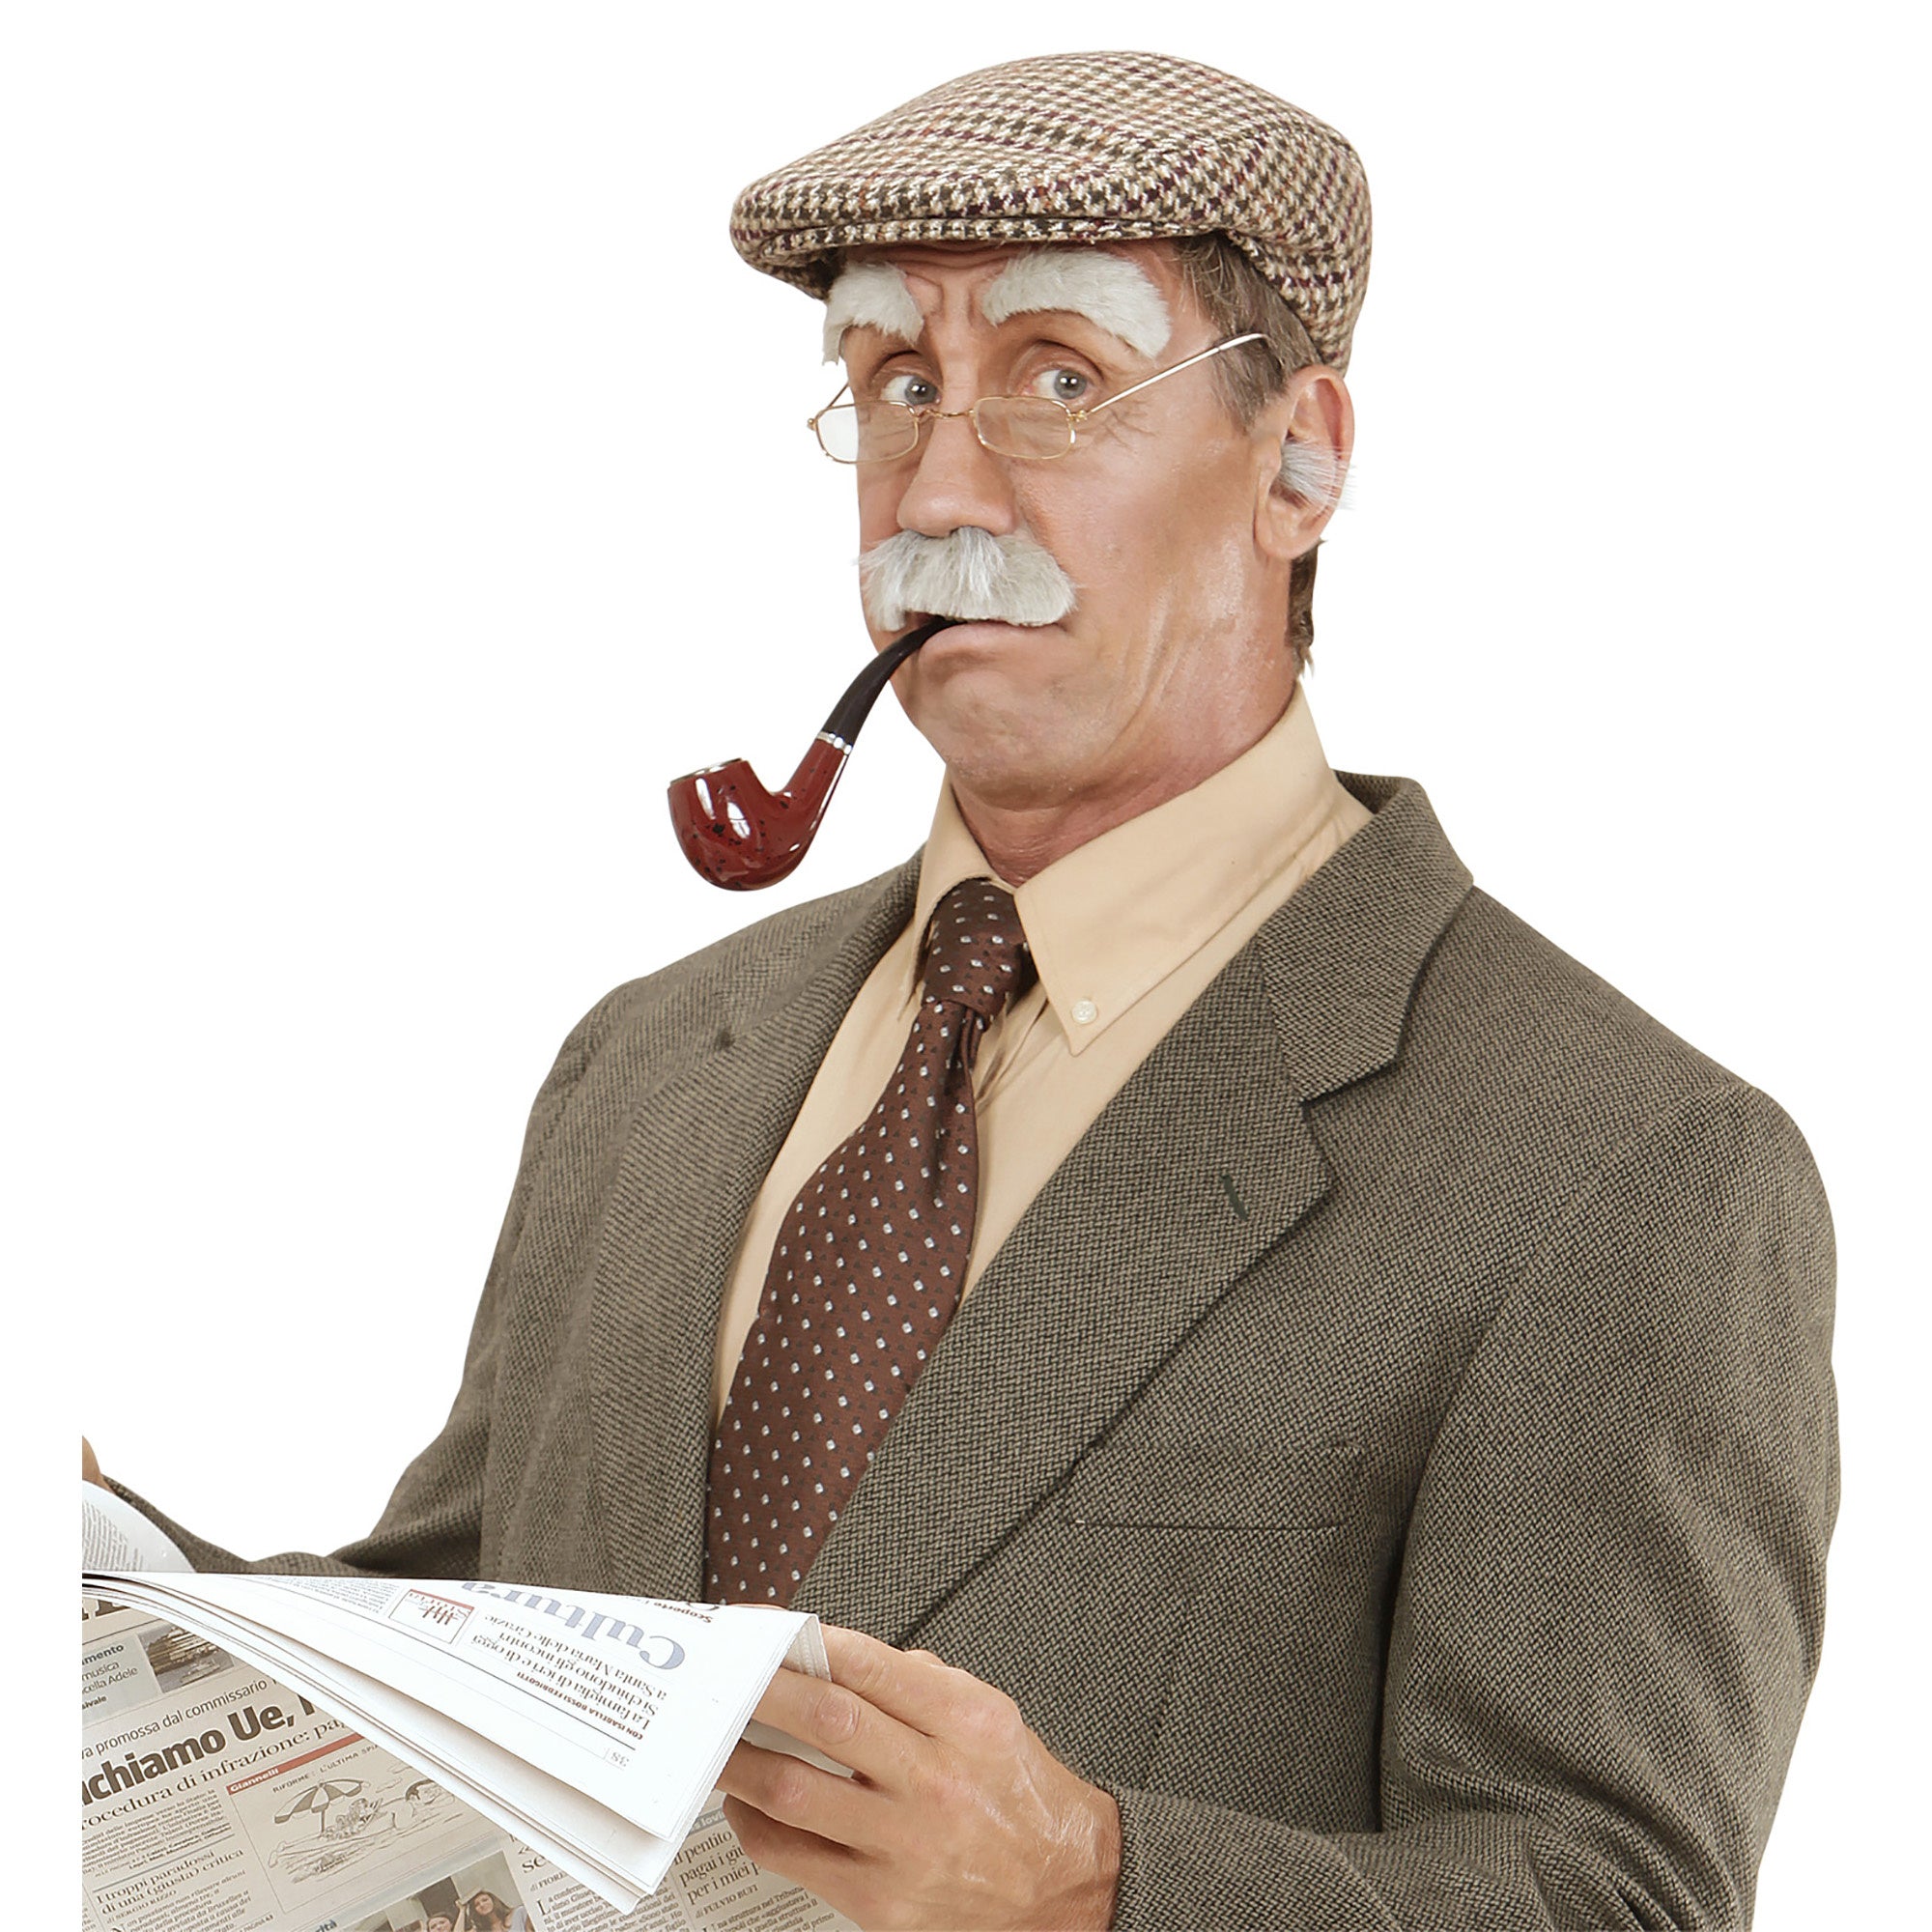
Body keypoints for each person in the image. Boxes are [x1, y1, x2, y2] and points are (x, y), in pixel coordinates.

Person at [87, 50, 1836, 1932]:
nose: (935, 487)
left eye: (1058, 381)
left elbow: (1620, 1896)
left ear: (1299, 458)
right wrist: (106, 1571)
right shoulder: (653, 1062)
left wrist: (1096, 1876)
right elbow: (473, 1630)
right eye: (896, 382)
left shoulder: (1624, 1170)